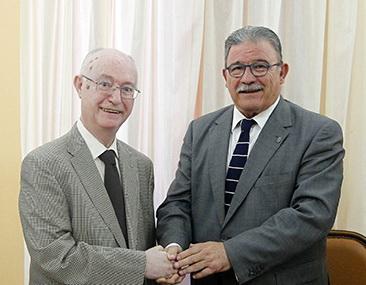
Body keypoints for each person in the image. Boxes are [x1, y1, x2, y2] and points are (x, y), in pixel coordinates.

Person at [156, 26, 344, 285]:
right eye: (237, 68)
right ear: (225, 75)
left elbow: (312, 215)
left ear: (282, 72)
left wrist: (230, 252)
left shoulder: (319, 133)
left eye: (260, 66)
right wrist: (174, 248)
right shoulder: (200, 130)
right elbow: (177, 203)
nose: (247, 78)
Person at [19, 48, 176, 285]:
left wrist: (168, 265)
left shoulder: (141, 166)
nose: (116, 98)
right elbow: (56, 257)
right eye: (105, 84)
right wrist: (142, 265)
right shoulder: (43, 163)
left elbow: (141, 246)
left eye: (127, 89)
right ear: (80, 85)